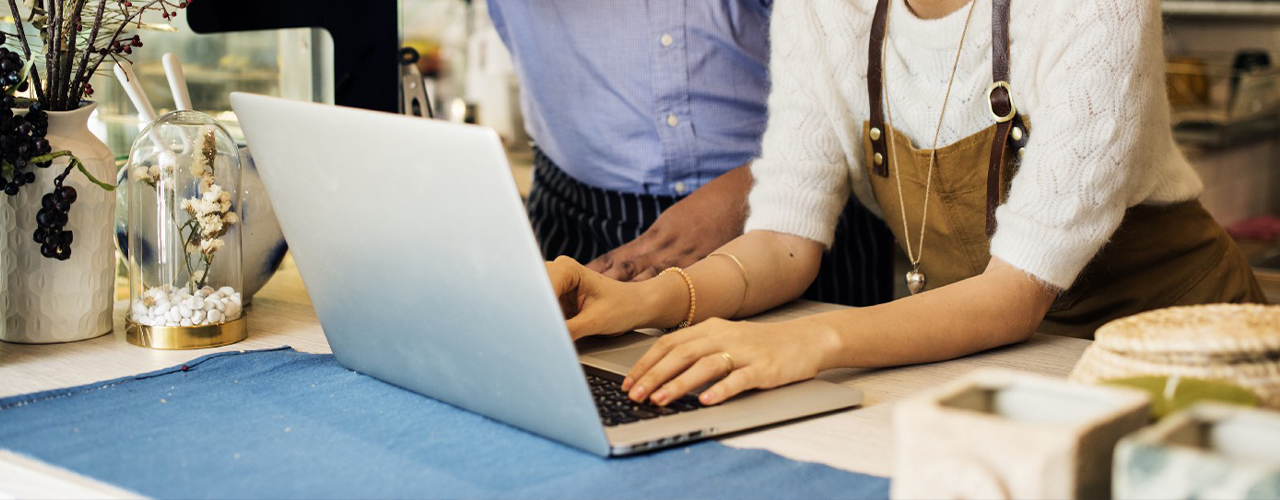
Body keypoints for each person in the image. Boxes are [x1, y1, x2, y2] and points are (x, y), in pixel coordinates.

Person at [545, 0, 1267, 408]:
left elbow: (1014, 293)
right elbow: (784, 240)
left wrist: (807, 341)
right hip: (999, 364)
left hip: (1187, 356)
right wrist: (647, 300)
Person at [486, 0, 895, 307]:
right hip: (584, 221)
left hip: (807, 210)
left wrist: (755, 193)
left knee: (819, 389)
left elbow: (882, 68)